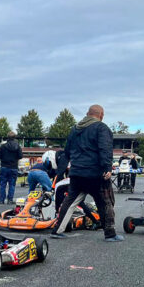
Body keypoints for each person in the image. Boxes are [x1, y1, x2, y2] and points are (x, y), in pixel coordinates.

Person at [50, 104, 123, 242]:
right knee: (105, 202)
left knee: (70, 201)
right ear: (101, 115)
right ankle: (110, 233)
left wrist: (61, 172)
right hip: (95, 173)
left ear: (87, 113)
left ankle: (57, 230)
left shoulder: (75, 129)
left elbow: (67, 152)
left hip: (77, 172)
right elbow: (105, 149)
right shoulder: (101, 128)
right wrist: (107, 168)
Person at [0, 131, 22, 204]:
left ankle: (2, 200)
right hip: (13, 167)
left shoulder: (3, 146)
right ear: (15, 137)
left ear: (7, 137)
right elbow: (20, 156)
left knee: (3, 184)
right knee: (12, 184)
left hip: (4, 167)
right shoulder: (18, 146)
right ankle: (10, 199)